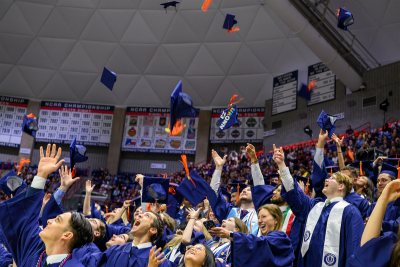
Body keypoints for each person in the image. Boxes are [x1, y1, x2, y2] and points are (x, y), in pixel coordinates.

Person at [0, 144, 94, 267]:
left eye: (57, 220)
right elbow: (25, 218)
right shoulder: (35, 248)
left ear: (67, 235)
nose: (48, 220)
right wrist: (41, 175)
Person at [273, 144, 364, 267]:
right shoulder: (314, 206)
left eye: (332, 178)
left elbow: (354, 248)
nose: (326, 180)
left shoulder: (350, 212)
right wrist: (282, 165)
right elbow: (294, 193)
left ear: (341, 186)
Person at [81, 174, 173, 267]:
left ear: (153, 230)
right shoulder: (116, 250)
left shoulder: (157, 261)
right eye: (141, 213)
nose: (139, 215)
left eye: (147, 215)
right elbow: (88, 261)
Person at [41, 172, 106, 260]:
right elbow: (52, 217)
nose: (88, 219)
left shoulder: (92, 252)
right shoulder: (70, 231)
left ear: (96, 233)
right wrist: (63, 188)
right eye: (89, 218)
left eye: (93, 221)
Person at [209, 204, 294, 266]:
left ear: (276, 220)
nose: (260, 221)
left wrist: (230, 235)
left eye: (264, 216)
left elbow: (260, 243)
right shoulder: (261, 241)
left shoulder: (280, 238)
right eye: (259, 218)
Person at [210, 145, 261, 236]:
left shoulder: (261, 213)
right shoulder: (229, 211)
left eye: (249, 190)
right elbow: (213, 195)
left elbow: (261, 188)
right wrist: (218, 168)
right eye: (243, 190)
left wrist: (254, 160)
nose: (244, 191)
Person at [347, 180, 400, 267]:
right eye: (378, 180)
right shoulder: (392, 247)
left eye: (383, 180)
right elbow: (368, 250)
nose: (379, 183)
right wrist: (383, 199)